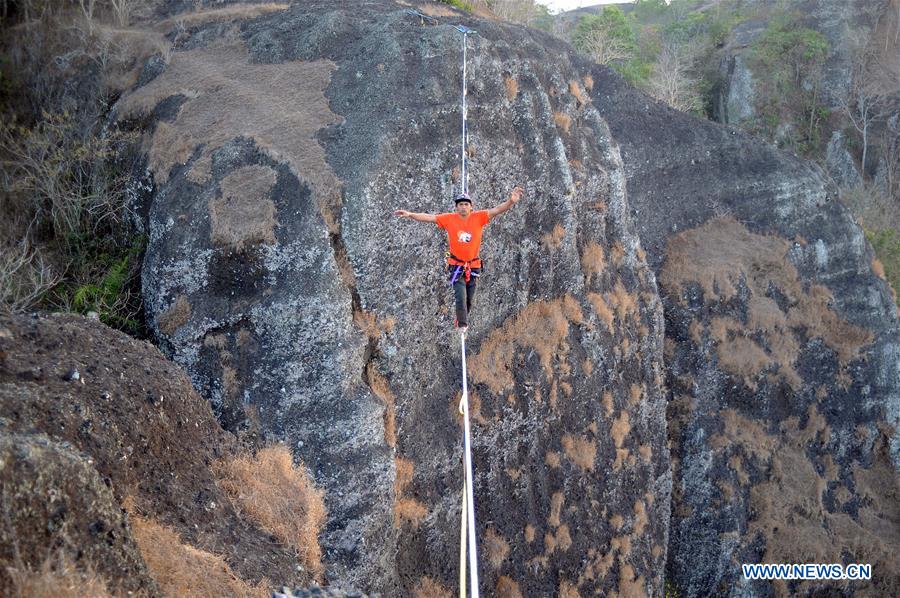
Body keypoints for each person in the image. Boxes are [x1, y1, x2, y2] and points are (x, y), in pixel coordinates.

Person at [395, 186, 524, 334]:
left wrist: (511, 201)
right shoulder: (449, 219)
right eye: (460, 204)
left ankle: (461, 319)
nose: (463, 207)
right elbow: (429, 217)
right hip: (456, 266)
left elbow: (497, 210)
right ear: (456, 207)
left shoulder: (479, 217)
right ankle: (462, 325)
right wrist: (410, 214)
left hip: (474, 266)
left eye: (466, 204)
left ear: (471, 207)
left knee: (469, 300)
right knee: (460, 296)